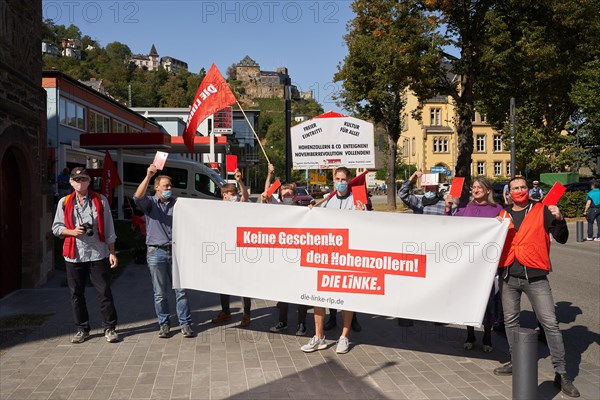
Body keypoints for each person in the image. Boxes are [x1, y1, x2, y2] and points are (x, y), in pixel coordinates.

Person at [493, 177, 580, 398]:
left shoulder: (542, 210)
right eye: (515, 188)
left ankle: (562, 374)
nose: (520, 190)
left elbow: (561, 238)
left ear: (528, 190)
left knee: (550, 324)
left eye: (523, 187)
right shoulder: (503, 214)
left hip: (536, 277)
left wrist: (560, 219)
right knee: (510, 321)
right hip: (508, 277)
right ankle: (517, 361)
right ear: (509, 192)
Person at [301, 167, 365, 354]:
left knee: (346, 297)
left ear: (349, 180)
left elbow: (365, 224)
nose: (340, 182)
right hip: (328, 253)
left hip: (348, 254)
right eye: (337, 178)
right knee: (318, 294)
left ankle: (344, 337)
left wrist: (363, 214)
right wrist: (312, 211)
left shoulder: (357, 199)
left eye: (343, 178)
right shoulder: (328, 200)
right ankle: (319, 337)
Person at [52, 167, 119, 344]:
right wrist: (72, 231)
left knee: (104, 291)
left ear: (89, 182)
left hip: (97, 253)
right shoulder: (64, 202)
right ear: (71, 182)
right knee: (76, 294)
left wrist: (112, 252)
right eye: (77, 179)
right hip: (74, 255)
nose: (81, 182)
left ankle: (109, 328)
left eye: (84, 179)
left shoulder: (100, 200)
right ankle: (82, 329)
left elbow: (109, 229)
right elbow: (56, 228)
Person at [134, 164, 195, 339]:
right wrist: (148, 175)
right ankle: (164, 324)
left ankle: (185, 324)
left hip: (176, 252)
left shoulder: (177, 204)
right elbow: (138, 196)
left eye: (170, 186)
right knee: (160, 293)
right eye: (166, 186)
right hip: (156, 253)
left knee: (181, 290)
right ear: (157, 187)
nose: (169, 188)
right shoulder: (150, 204)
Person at [445, 176, 503, 352]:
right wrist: (448, 208)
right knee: (469, 299)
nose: (475, 190)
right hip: (469, 263)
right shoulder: (465, 208)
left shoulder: (497, 210)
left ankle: (487, 336)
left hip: (488, 265)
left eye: (479, 187)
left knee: (489, 300)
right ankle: (470, 334)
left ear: (488, 190)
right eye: (473, 187)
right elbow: (448, 226)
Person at [397, 170, 446, 326]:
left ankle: (436, 315)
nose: (430, 191)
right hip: (419, 248)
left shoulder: (444, 204)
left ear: (437, 188)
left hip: (437, 249)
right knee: (413, 283)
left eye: (432, 188)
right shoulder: (419, 203)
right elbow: (402, 194)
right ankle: (408, 315)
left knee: (436, 284)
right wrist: (413, 177)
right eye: (427, 188)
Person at [211, 169, 253, 327]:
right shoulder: (218, 209)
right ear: (224, 195)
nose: (234, 195)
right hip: (225, 250)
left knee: (243, 283)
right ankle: (226, 312)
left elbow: (246, 197)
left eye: (235, 193)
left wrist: (240, 181)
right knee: (224, 283)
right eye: (231, 193)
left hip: (241, 250)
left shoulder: (240, 206)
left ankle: (247, 314)